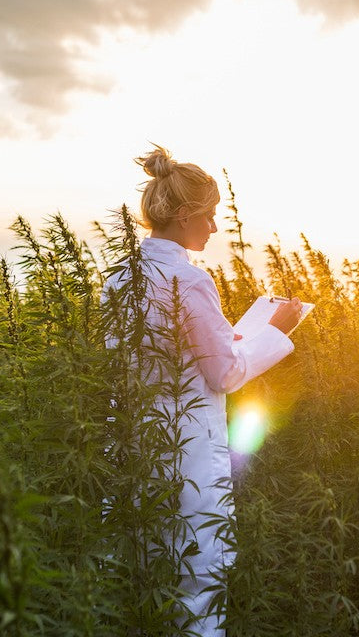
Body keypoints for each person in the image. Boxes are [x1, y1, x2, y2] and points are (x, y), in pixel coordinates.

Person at [102, 145, 302, 636]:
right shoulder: (189, 280)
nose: (214, 227)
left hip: (131, 447)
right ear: (186, 215)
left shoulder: (117, 278)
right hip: (184, 450)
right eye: (210, 217)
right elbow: (225, 375)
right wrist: (279, 329)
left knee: (140, 576)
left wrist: (222, 338)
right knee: (196, 586)